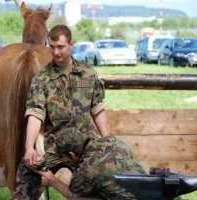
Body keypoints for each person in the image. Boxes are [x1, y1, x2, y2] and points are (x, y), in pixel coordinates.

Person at [11, 24, 145, 200]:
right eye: (51, 47)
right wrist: (29, 148)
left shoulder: (88, 73)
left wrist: (107, 142)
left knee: (110, 180)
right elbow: (36, 115)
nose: (56, 52)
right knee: (26, 176)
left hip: (86, 148)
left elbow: (98, 110)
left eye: (60, 47)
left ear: (71, 44)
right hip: (55, 150)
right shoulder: (42, 78)